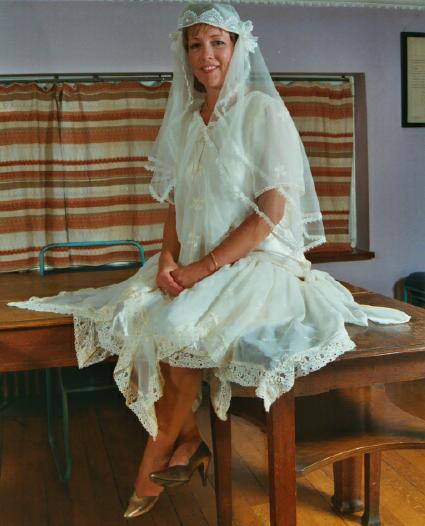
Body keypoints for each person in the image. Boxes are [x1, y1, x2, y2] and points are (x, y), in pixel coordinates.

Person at [9, 2, 410, 519]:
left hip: (255, 263)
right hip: (191, 262)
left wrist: (201, 270)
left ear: (238, 48)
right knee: (129, 317)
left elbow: (269, 214)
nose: (206, 55)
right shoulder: (187, 119)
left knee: (177, 332)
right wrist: (167, 258)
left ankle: (157, 452)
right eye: (195, 45)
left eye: (217, 42)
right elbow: (177, 204)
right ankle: (190, 440)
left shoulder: (262, 112)